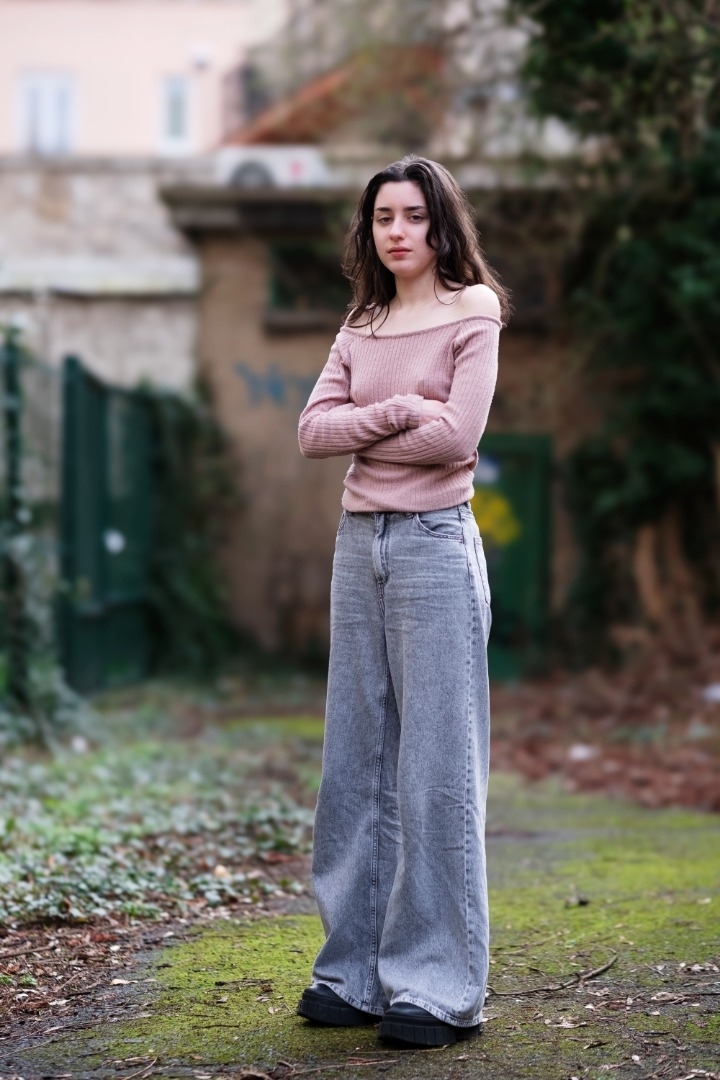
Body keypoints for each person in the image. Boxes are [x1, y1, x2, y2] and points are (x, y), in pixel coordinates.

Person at [296, 155, 508, 1049]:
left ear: (440, 225)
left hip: (432, 547)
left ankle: (439, 986)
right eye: (383, 216)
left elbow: (456, 436)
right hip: (359, 549)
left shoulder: (473, 310)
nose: (397, 231)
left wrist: (374, 425)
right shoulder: (362, 322)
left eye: (414, 215)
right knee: (354, 761)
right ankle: (352, 974)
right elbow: (313, 431)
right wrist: (395, 413)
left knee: (435, 767)